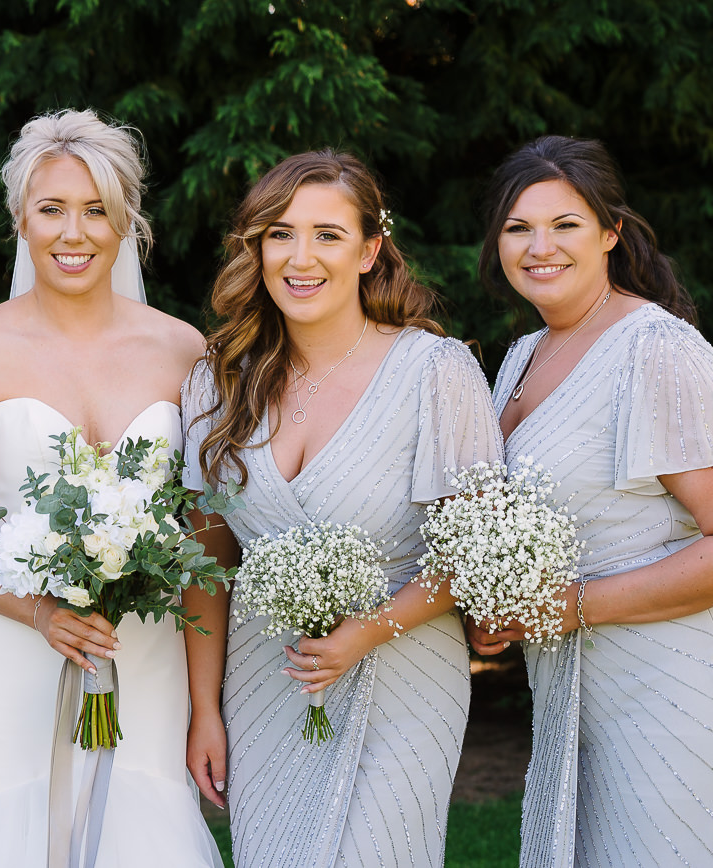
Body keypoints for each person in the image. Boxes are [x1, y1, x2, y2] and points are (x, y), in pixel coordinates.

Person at [0, 108, 221, 867]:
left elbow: (207, 539)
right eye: (51, 209)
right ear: (21, 217)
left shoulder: (186, 351)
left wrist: (207, 707)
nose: (73, 233)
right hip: (3, 646)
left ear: (126, 223)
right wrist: (42, 611)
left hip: (145, 657)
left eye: (96, 211)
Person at [182, 150, 504, 868]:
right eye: (280, 234)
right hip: (265, 677)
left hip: (404, 671)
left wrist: (369, 630)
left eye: (328, 234)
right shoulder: (214, 381)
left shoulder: (432, 371)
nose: (302, 257)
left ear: (369, 251)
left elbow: (477, 550)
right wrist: (204, 708)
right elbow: (205, 558)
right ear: (257, 249)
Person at [467, 135, 713, 868]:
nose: (539, 246)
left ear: (610, 233)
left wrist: (563, 606)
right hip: (579, 682)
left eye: (565, 224)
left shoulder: (655, 349)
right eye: (518, 228)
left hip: (679, 681)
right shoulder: (522, 356)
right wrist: (498, 607)